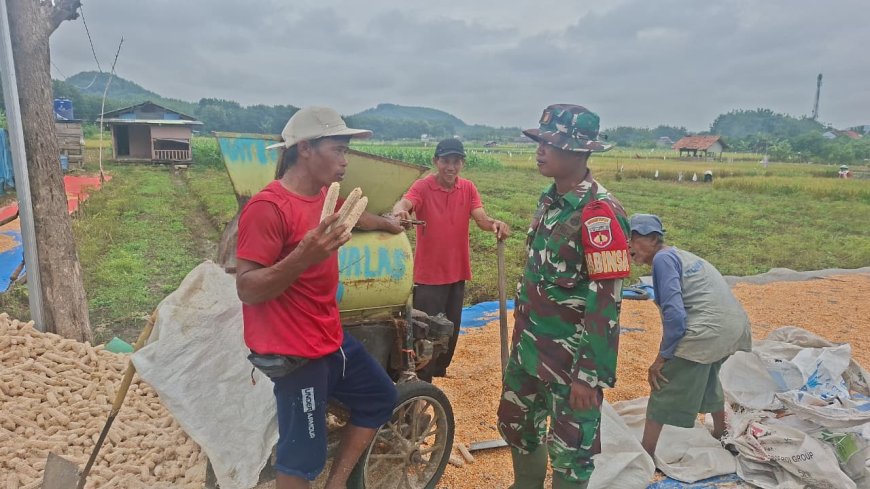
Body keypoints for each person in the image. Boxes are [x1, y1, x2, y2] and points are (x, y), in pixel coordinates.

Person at [235, 106, 403, 489]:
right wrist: (302, 258)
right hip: (293, 350)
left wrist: (388, 223)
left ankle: (338, 482)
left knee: (380, 397)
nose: (346, 160)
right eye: (339, 149)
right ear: (306, 149)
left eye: (347, 151)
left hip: (328, 337)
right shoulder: (267, 208)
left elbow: (353, 217)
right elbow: (246, 287)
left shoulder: (325, 196)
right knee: (300, 460)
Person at [497, 104, 631, 489]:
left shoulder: (600, 214)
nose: (540, 151)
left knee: (571, 454)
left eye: (549, 144)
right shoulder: (551, 200)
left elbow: (607, 303)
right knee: (516, 424)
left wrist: (589, 377)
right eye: (539, 142)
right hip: (530, 349)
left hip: (571, 362)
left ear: (578, 151)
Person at [627, 214, 752, 459]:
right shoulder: (680, 255)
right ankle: (722, 435)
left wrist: (662, 358)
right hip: (733, 327)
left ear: (653, 239)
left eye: (633, 239)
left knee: (662, 383)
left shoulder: (662, 260)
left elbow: (675, 317)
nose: (628, 246)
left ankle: (646, 454)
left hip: (708, 331)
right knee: (707, 377)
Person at [391, 138, 510, 381]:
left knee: (448, 333)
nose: (450, 167)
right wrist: (399, 211)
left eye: (456, 161)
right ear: (436, 161)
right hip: (428, 276)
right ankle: (419, 382)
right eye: (445, 161)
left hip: (457, 273)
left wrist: (495, 224)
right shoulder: (423, 187)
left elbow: (480, 218)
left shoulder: (468, 188)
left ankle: (436, 375)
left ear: (462, 163)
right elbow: (405, 202)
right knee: (425, 333)